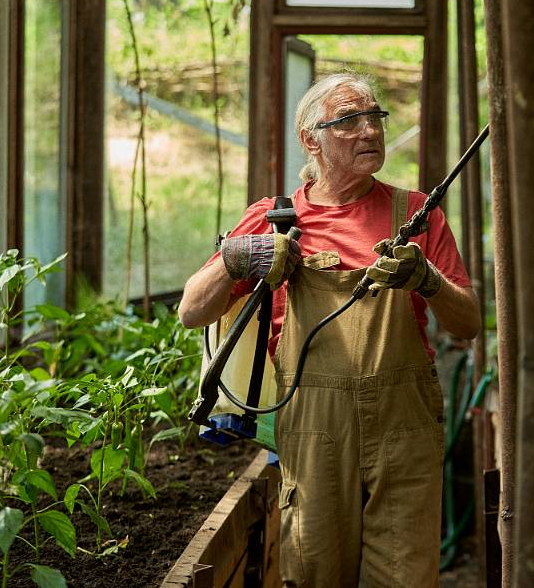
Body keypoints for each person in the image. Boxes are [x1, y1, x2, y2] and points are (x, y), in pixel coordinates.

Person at [178, 73, 480, 586]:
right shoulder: (276, 219)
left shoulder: (416, 213)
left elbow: (468, 323)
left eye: (375, 117)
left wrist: (428, 280)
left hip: (403, 421)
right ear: (310, 139)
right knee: (315, 569)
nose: (370, 131)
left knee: (408, 573)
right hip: (315, 425)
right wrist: (237, 257)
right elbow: (192, 310)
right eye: (349, 121)